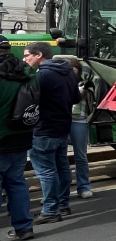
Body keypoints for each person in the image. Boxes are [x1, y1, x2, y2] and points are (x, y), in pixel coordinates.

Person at [23, 42, 79, 224]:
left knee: (46, 171)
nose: (24, 59)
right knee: (61, 167)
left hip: (44, 128)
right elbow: (77, 98)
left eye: (26, 56)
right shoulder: (68, 71)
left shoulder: (42, 75)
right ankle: (63, 204)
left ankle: (50, 210)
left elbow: (30, 100)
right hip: (62, 127)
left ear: (38, 55)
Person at [0, 36, 36, 241]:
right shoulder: (27, 72)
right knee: (16, 183)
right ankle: (24, 227)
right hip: (21, 137)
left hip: (1, 137)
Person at [64, 57, 93, 199]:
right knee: (61, 156)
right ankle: (62, 190)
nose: (71, 72)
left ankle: (84, 186)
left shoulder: (84, 84)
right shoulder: (60, 82)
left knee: (81, 156)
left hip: (79, 120)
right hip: (63, 121)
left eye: (73, 70)